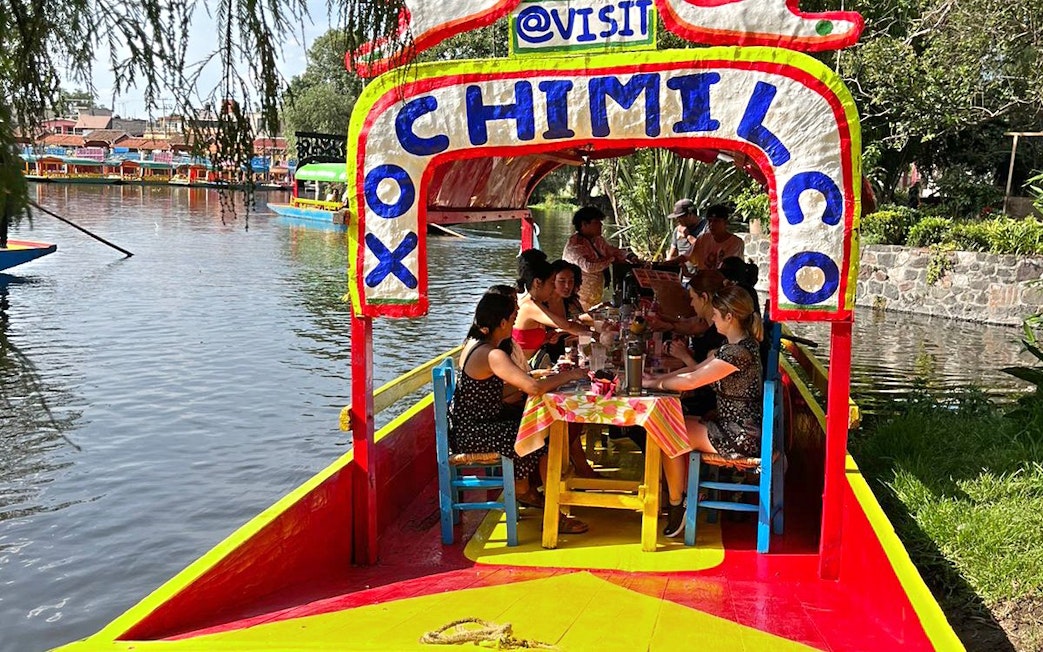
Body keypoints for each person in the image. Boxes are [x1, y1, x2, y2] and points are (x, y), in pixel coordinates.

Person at [449, 292, 590, 533]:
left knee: (532, 425)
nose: (515, 322)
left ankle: (528, 489)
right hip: (473, 433)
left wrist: (535, 378)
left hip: (469, 425)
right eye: (513, 318)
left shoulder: (476, 346)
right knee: (540, 435)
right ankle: (544, 506)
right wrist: (570, 375)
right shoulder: (493, 354)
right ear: (502, 323)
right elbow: (533, 388)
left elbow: (500, 387)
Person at [643, 285, 764, 537]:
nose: (712, 318)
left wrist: (657, 384)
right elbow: (693, 371)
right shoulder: (737, 347)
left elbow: (690, 382)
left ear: (729, 317)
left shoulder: (737, 353)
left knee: (666, 430)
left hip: (740, 435)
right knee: (675, 423)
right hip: (734, 426)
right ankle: (687, 492)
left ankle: (679, 506)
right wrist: (650, 382)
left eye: (717, 315)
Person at [514, 250, 590, 361]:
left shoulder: (536, 303)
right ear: (537, 283)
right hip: (521, 367)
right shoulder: (529, 306)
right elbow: (567, 325)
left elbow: (526, 340)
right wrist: (595, 336)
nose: (554, 288)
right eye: (551, 283)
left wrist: (545, 338)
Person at [562, 206, 639, 309]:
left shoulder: (597, 240)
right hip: (579, 299)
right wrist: (611, 259)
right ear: (584, 224)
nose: (601, 224)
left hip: (594, 297)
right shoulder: (575, 245)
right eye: (596, 222)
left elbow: (611, 250)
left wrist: (629, 255)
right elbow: (588, 266)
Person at [688, 204, 744, 271]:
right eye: (710, 221)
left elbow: (728, 269)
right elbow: (688, 257)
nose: (711, 224)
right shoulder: (702, 239)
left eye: (716, 221)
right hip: (703, 280)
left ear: (725, 222)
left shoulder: (736, 243)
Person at [664, 199, 706, 275]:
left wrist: (688, 236)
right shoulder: (678, 230)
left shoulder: (706, 228)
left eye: (680, 217)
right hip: (682, 277)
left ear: (690, 214)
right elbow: (672, 254)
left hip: (700, 277)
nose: (678, 220)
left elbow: (705, 250)